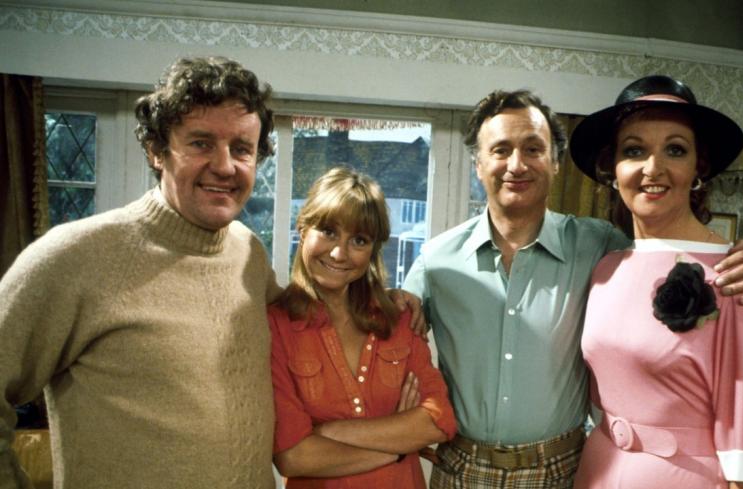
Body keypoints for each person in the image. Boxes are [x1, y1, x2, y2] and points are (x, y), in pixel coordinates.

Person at [401, 89, 743, 488]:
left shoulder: (600, 246)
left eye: (534, 149)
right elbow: (383, 324)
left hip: (564, 469)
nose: (516, 165)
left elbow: (670, 253)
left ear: (556, 162)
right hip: (464, 467)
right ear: (478, 163)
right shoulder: (435, 260)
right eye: (501, 150)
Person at [0, 56, 283, 489]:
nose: (226, 166)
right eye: (201, 143)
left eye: (242, 148)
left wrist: (380, 302)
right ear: (156, 150)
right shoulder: (74, 256)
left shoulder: (249, 253)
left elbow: (309, 327)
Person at [570, 75, 743, 488]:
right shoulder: (605, 267)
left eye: (675, 149)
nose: (653, 168)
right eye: (634, 150)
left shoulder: (739, 276)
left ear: (698, 168)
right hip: (596, 470)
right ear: (612, 168)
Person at [268, 167, 456, 488]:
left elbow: (438, 421)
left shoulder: (400, 317)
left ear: (372, 250)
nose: (339, 253)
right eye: (328, 231)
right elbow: (293, 456)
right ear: (303, 229)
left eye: (359, 240)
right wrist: (398, 448)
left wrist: (328, 432)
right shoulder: (275, 326)